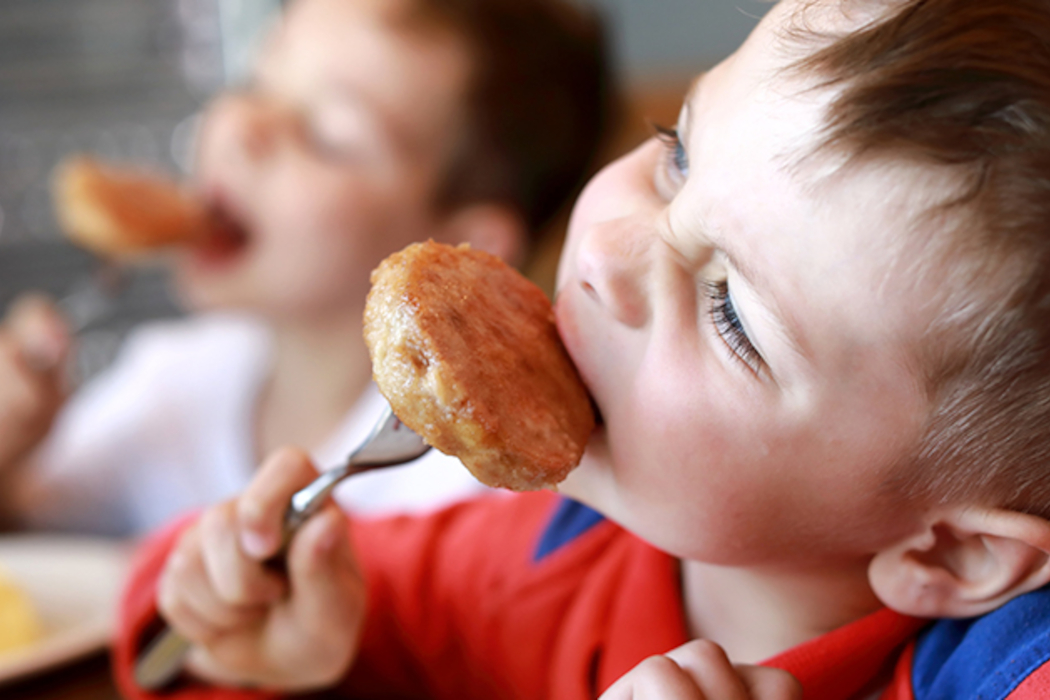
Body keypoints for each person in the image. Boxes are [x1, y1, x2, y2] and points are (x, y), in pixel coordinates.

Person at [111, 0, 1050, 697]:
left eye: (731, 314)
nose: (602, 253)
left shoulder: (1004, 669)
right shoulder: (534, 562)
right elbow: (179, 608)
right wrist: (258, 634)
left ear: (953, 552)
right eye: (675, 153)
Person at [0, 0, 613, 535]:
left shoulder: (472, 491)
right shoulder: (172, 381)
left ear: (460, 241)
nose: (243, 127)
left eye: (326, 132)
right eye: (256, 83)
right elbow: (29, 529)